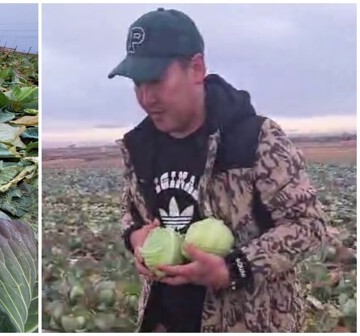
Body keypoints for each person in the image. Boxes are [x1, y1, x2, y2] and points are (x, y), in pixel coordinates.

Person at [108, 7, 326, 333]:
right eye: (137, 83)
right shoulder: (139, 147)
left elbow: (309, 225)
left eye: (155, 80)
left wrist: (232, 268)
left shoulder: (256, 139)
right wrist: (135, 237)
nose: (145, 97)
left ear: (196, 68)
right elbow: (130, 213)